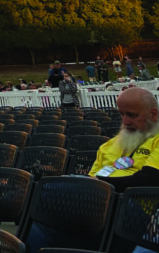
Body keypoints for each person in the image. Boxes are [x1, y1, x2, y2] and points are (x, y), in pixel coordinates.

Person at [27, 87, 159, 253]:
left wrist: (100, 184)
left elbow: (150, 179)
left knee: (45, 193)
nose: (125, 121)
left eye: (132, 115)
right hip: (101, 209)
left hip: (139, 210)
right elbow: (91, 182)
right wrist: (94, 185)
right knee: (42, 222)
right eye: (122, 114)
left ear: (153, 114)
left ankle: (28, 193)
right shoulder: (109, 146)